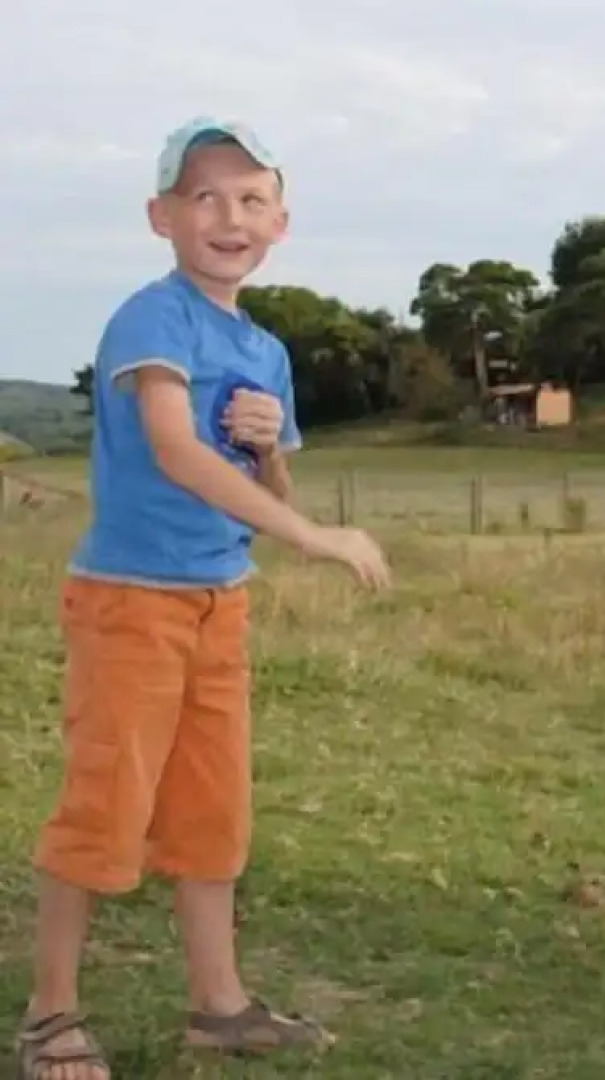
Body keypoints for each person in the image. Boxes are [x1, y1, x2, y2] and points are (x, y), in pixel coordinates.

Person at [13, 117, 392, 1080]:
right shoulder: (154, 318)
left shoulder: (265, 351)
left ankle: (217, 1006)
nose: (229, 216)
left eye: (251, 198)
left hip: (219, 605)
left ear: (281, 223)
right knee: (107, 804)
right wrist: (316, 541)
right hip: (130, 603)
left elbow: (267, 494)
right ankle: (49, 1016)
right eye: (205, 197)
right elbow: (176, 450)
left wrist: (268, 448)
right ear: (163, 216)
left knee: (211, 811)